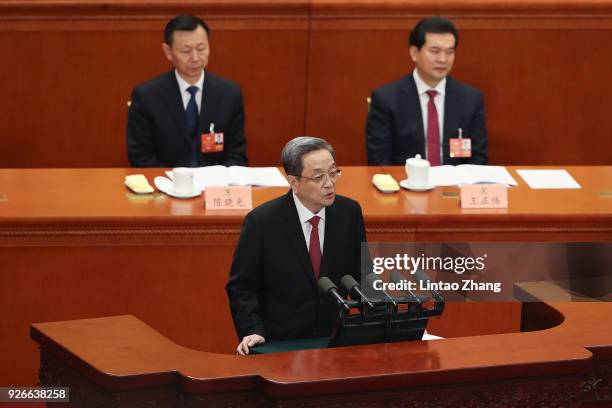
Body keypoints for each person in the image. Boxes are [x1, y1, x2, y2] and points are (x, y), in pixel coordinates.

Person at [226, 136, 367, 355]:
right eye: (319, 176)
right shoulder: (262, 222)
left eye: (333, 172)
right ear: (293, 182)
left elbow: (362, 276)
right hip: (280, 344)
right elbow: (242, 287)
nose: (329, 183)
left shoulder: (350, 213)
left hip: (334, 341)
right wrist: (252, 329)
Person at [127, 14, 247, 167]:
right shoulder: (146, 96)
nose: (195, 58)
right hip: (166, 186)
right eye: (186, 50)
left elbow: (237, 154)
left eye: (201, 48)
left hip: (214, 186)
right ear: (168, 52)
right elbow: (140, 156)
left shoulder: (230, 94)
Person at [365, 16, 488, 166]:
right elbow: (379, 161)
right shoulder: (386, 99)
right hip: (406, 184)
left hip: (454, 186)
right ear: (414, 53)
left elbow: (478, 159)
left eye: (449, 52)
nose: (443, 59)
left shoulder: (471, 99)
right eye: (435, 51)